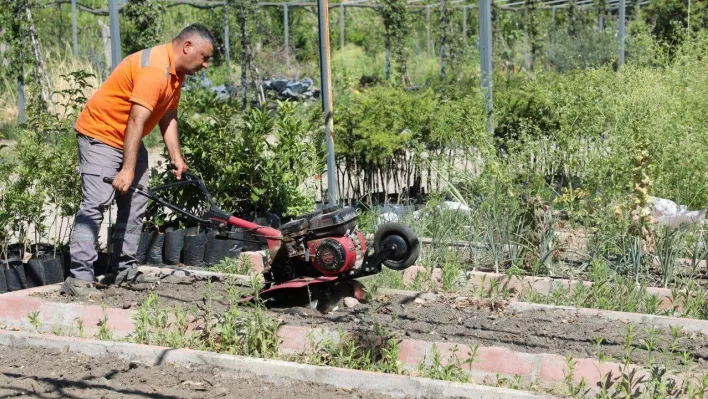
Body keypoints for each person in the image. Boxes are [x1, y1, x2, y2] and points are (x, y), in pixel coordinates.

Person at [63, 24, 216, 298]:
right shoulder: (155, 70)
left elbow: (167, 114)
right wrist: (127, 168)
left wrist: (177, 157)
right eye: (204, 57)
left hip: (126, 136)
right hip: (100, 134)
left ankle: (124, 269)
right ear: (187, 47)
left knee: (136, 203)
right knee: (96, 203)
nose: (205, 65)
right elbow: (135, 120)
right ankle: (79, 278)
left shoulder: (175, 74)